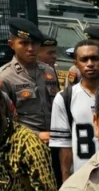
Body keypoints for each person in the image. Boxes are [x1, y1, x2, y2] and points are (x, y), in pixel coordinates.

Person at [0, 18, 60, 182]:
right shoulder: (5, 77)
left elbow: (58, 106)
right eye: (24, 43)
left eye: (35, 43)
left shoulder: (48, 71)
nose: (31, 48)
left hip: (55, 145)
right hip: (26, 149)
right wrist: (36, 135)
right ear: (12, 45)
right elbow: (4, 122)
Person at [49, 40, 99, 183]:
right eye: (84, 59)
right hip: (82, 178)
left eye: (95, 58)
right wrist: (66, 182)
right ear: (76, 63)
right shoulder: (64, 98)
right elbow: (64, 145)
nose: (90, 63)